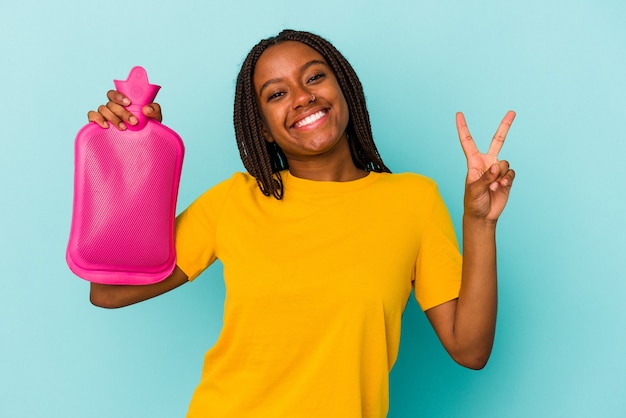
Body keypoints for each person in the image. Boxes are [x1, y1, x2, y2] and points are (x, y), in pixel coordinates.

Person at [87, 29, 516, 417]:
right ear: (265, 130)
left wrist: (480, 224)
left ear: (343, 89)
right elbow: (108, 291)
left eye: (314, 78)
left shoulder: (412, 200)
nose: (302, 97)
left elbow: (470, 349)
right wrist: (132, 158)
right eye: (276, 94)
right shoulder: (235, 201)